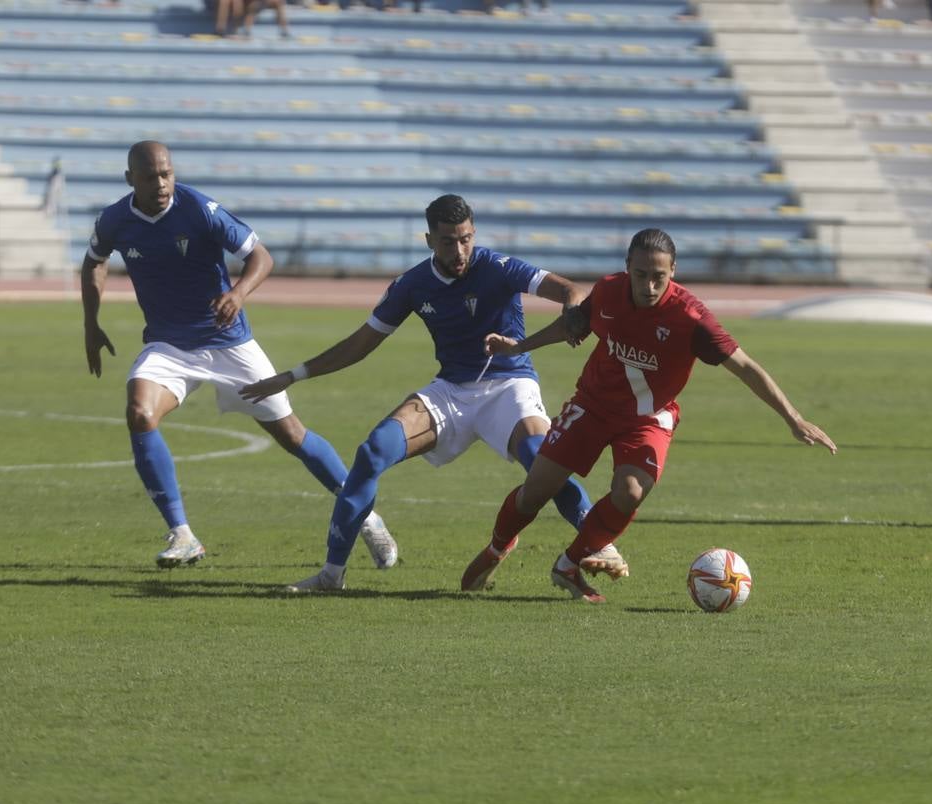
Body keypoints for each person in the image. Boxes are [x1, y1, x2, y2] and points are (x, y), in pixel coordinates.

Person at [240, 194, 621, 592]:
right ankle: (331, 576)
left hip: (510, 385)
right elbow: (361, 343)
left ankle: (600, 543)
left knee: (541, 460)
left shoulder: (498, 266)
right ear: (428, 241)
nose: (459, 251)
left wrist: (573, 312)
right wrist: (293, 375)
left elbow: (568, 290)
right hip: (452, 392)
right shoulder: (412, 284)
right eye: (447, 242)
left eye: (466, 238)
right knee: (372, 451)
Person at [460, 228, 837, 603]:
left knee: (631, 492)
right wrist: (520, 347)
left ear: (673, 271)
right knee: (535, 492)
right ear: (628, 268)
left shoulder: (691, 317)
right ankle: (496, 548)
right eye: (641, 275)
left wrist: (793, 418)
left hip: (647, 417)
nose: (650, 285)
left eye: (659, 276)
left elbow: (744, 366)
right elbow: (573, 325)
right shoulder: (608, 291)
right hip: (592, 405)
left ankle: (570, 564)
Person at [81, 140, 398, 569]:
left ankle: (366, 517)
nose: (161, 183)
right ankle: (183, 534)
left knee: (292, 436)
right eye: (151, 176)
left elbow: (260, 257)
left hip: (229, 343)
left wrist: (238, 293)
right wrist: (91, 323)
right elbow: (94, 261)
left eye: (167, 173)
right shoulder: (116, 219)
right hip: (170, 345)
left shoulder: (199, 210)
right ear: (129, 179)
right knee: (140, 413)